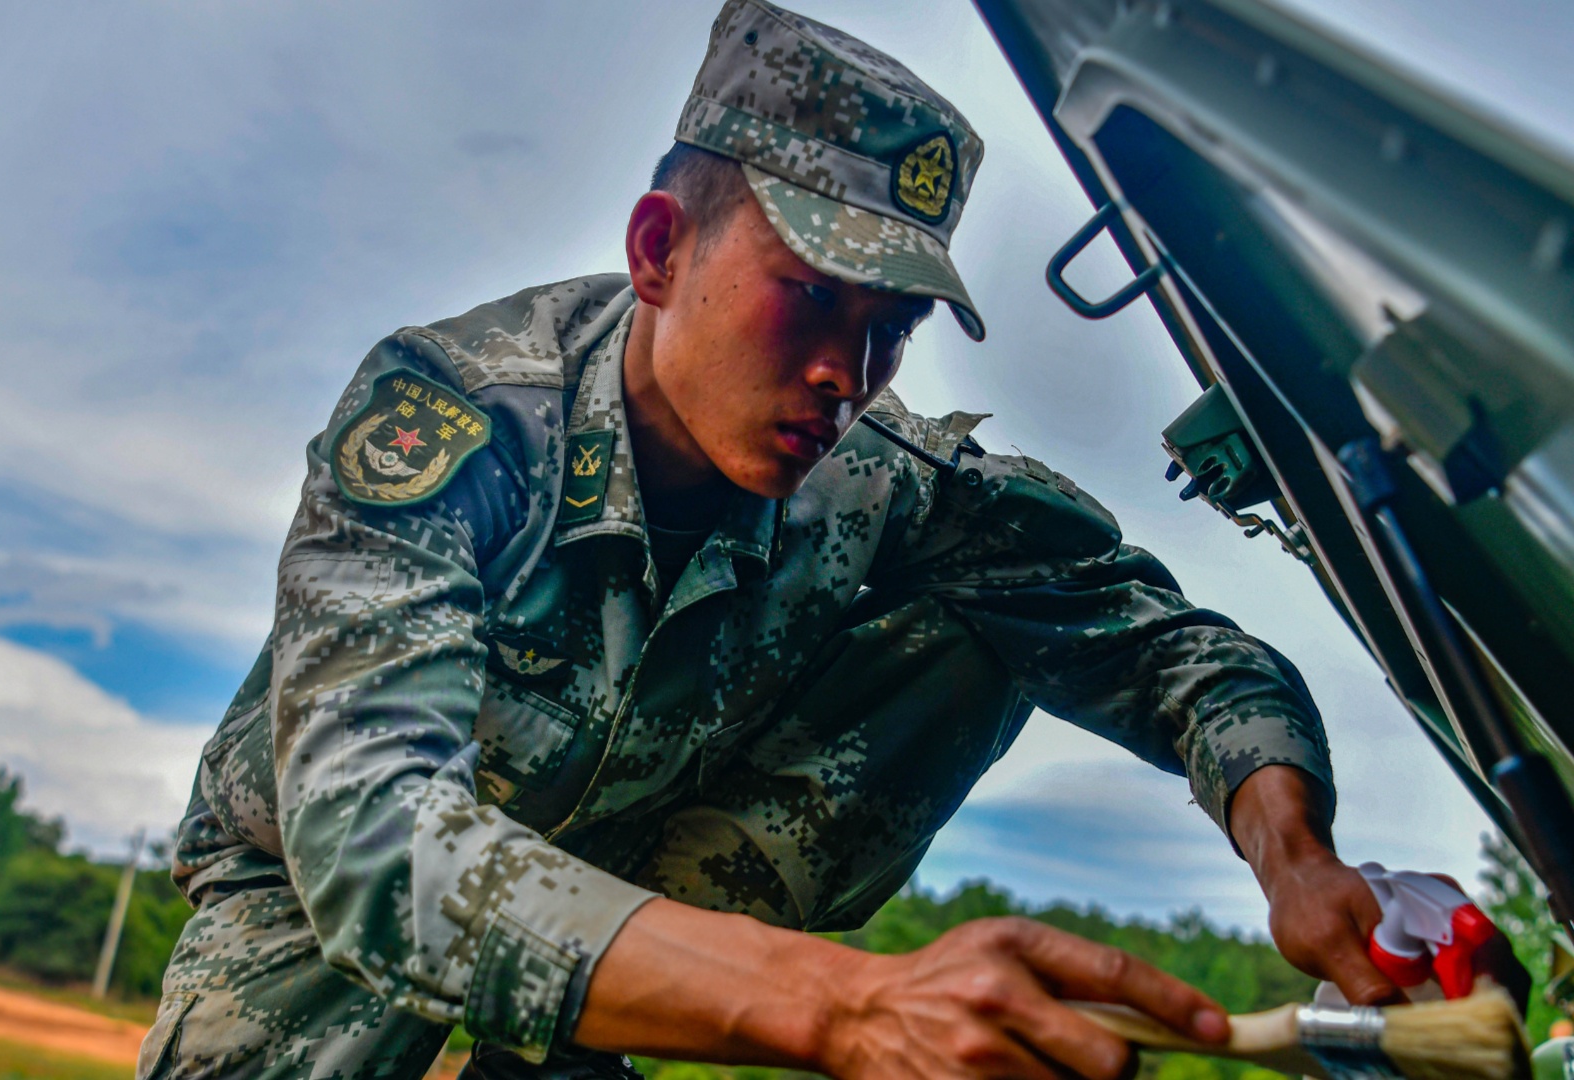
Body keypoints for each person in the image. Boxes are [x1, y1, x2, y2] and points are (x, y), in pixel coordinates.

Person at [140, 3, 1505, 1078]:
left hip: (642, 899)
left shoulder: (890, 481)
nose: (847, 372)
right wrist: (850, 1007)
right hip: (324, 890)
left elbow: (1178, 651)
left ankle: (566, 1064)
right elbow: (372, 838)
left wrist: (1297, 858)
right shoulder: (461, 421)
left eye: (892, 325)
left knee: (993, 611)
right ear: (660, 248)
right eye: (811, 299)